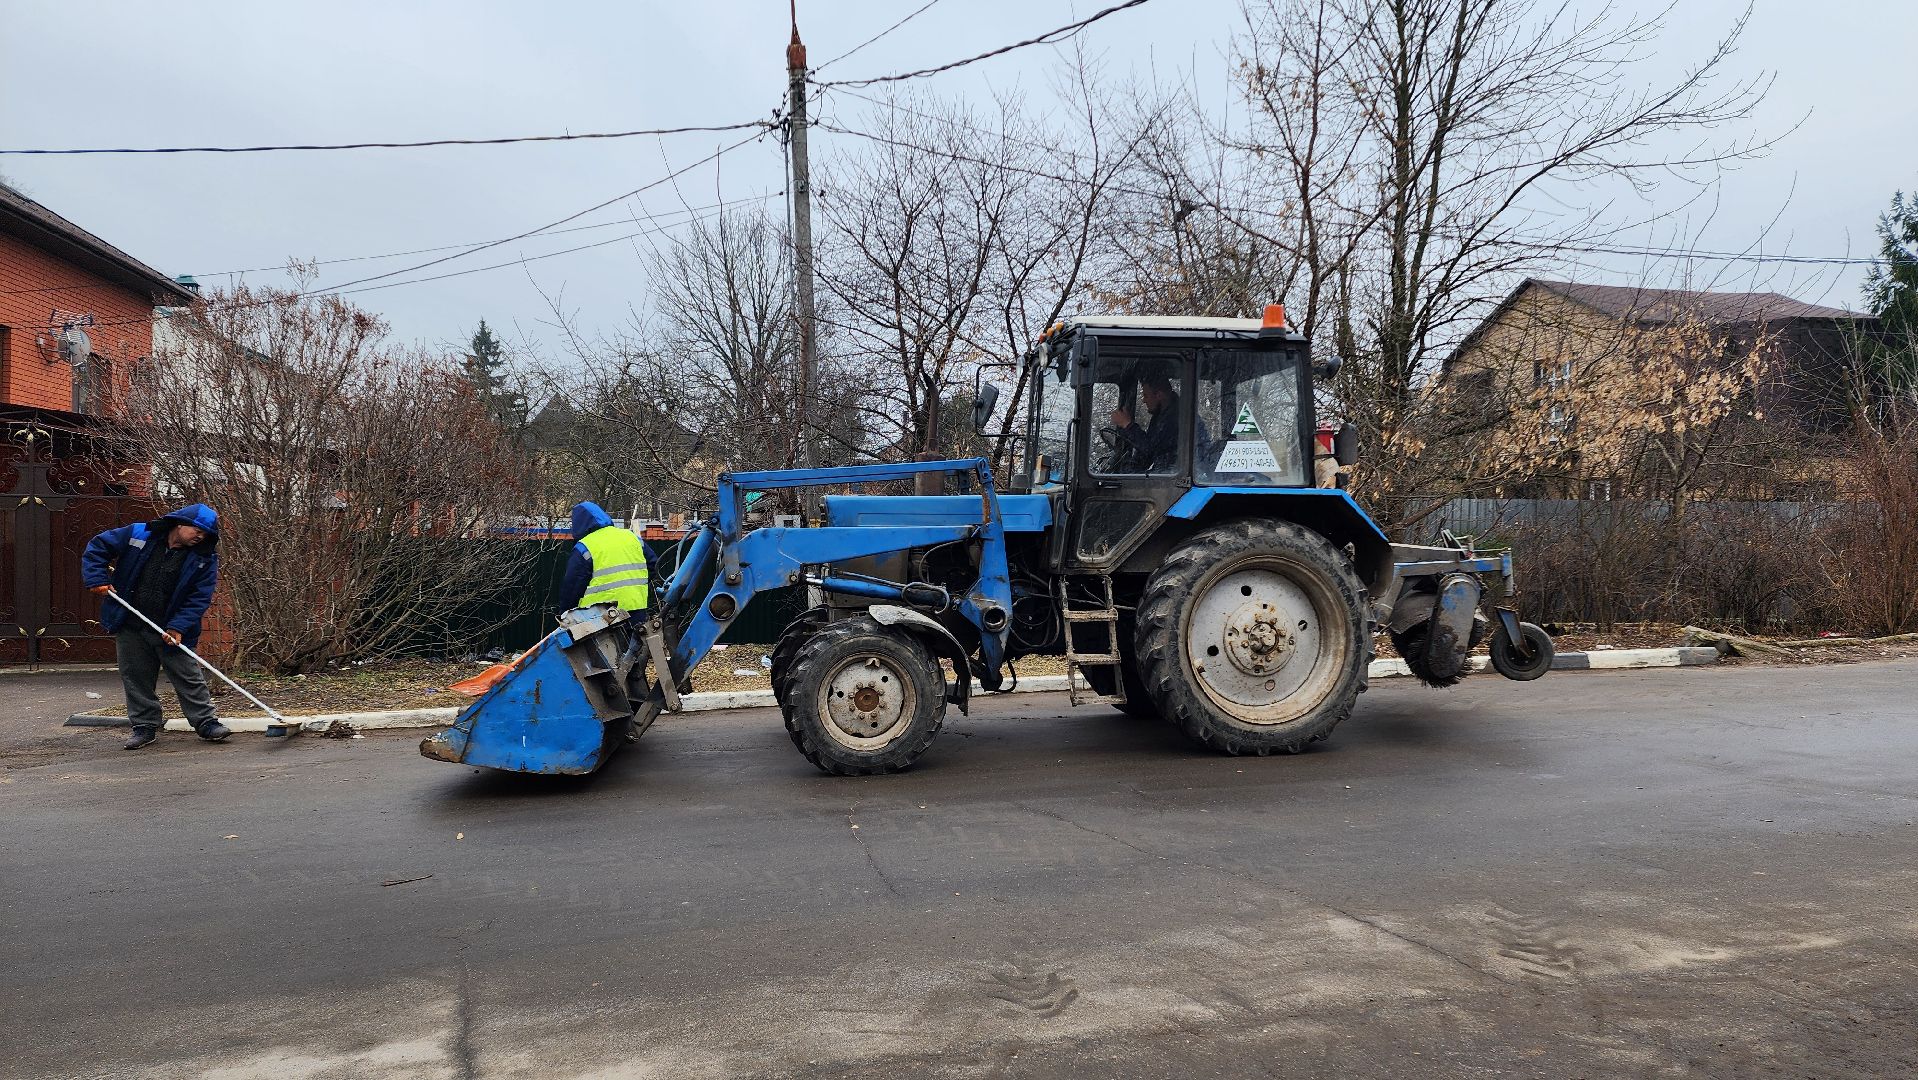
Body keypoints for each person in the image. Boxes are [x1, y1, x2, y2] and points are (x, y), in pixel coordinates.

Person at [81, 503, 228, 750]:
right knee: (136, 675)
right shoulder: (139, 534)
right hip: (130, 620)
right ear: (180, 524)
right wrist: (96, 579)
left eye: (205, 534)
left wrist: (178, 626)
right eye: (197, 530)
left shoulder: (203, 558)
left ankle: (206, 723)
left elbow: (199, 598)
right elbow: (98, 547)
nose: (200, 537)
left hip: (171, 627)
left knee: (187, 675)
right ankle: (144, 727)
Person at [557, 501, 652, 615]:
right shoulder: (631, 537)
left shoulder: (584, 547)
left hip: (601, 619)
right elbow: (652, 566)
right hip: (636, 610)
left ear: (578, 523)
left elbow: (572, 588)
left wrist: (565, 614)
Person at [1110, 376, 1181, 473]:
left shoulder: (1176, 418)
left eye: (1146, 395)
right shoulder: (1160, 415)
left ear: (1159, 395)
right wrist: (1129, 469)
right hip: (1166, 474)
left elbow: (1151, 449)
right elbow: (1147, 453)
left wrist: (1128, 425)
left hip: (1170, 476)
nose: (1144, 400)